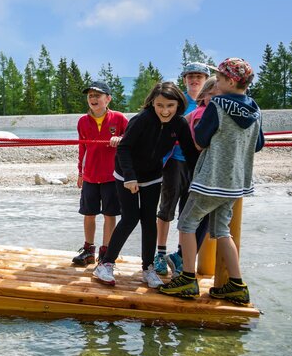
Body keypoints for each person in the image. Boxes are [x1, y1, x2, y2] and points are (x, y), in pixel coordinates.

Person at [159, 58, 264, 305]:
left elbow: (201, 141)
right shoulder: (255, 109)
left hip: (210, 179)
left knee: (186, 223)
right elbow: (258, 144)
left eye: (218, 77)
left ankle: (186, 278)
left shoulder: (217, 105)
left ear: (229, 80)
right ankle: (236, 285)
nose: (214, 81)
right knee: (222, 231)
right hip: (236, 183)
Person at [92, 82, 198, 288]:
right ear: (152, 103)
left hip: (153, 175)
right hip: (126, 175)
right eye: (160, 105)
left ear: (178, 105)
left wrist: (199, 177)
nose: (165, 111)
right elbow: (124, 149)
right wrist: (130, 177)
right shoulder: (141, 120)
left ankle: (148, 268)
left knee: (149, 220)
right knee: (130, 218)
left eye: (170, 106)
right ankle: (105, 264)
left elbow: (190, 153)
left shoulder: (179, 124)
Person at [154, 62, 212, 276]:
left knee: (188, 212)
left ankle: (180, 255)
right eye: (190, 76)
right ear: (185, 79)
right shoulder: (179, 102)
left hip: (198, 164)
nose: (194, 80)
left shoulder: (210, 102)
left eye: (199, 76)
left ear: (206, 79)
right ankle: (160, 254)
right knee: (166, 208)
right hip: (174, 161)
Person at [71, 81, 127, 266]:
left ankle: (106, 251)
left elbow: (132, 139)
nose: (93, 99)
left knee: (110, 214)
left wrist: (121, 139)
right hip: (90, 176)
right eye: (90, 96)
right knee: (89, 213)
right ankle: (88, 250)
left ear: (108, 99)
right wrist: (80, 172)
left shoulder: (119, 118)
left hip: (112, 176)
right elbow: (82, 148)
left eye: (98, 95)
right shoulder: (82, 121)